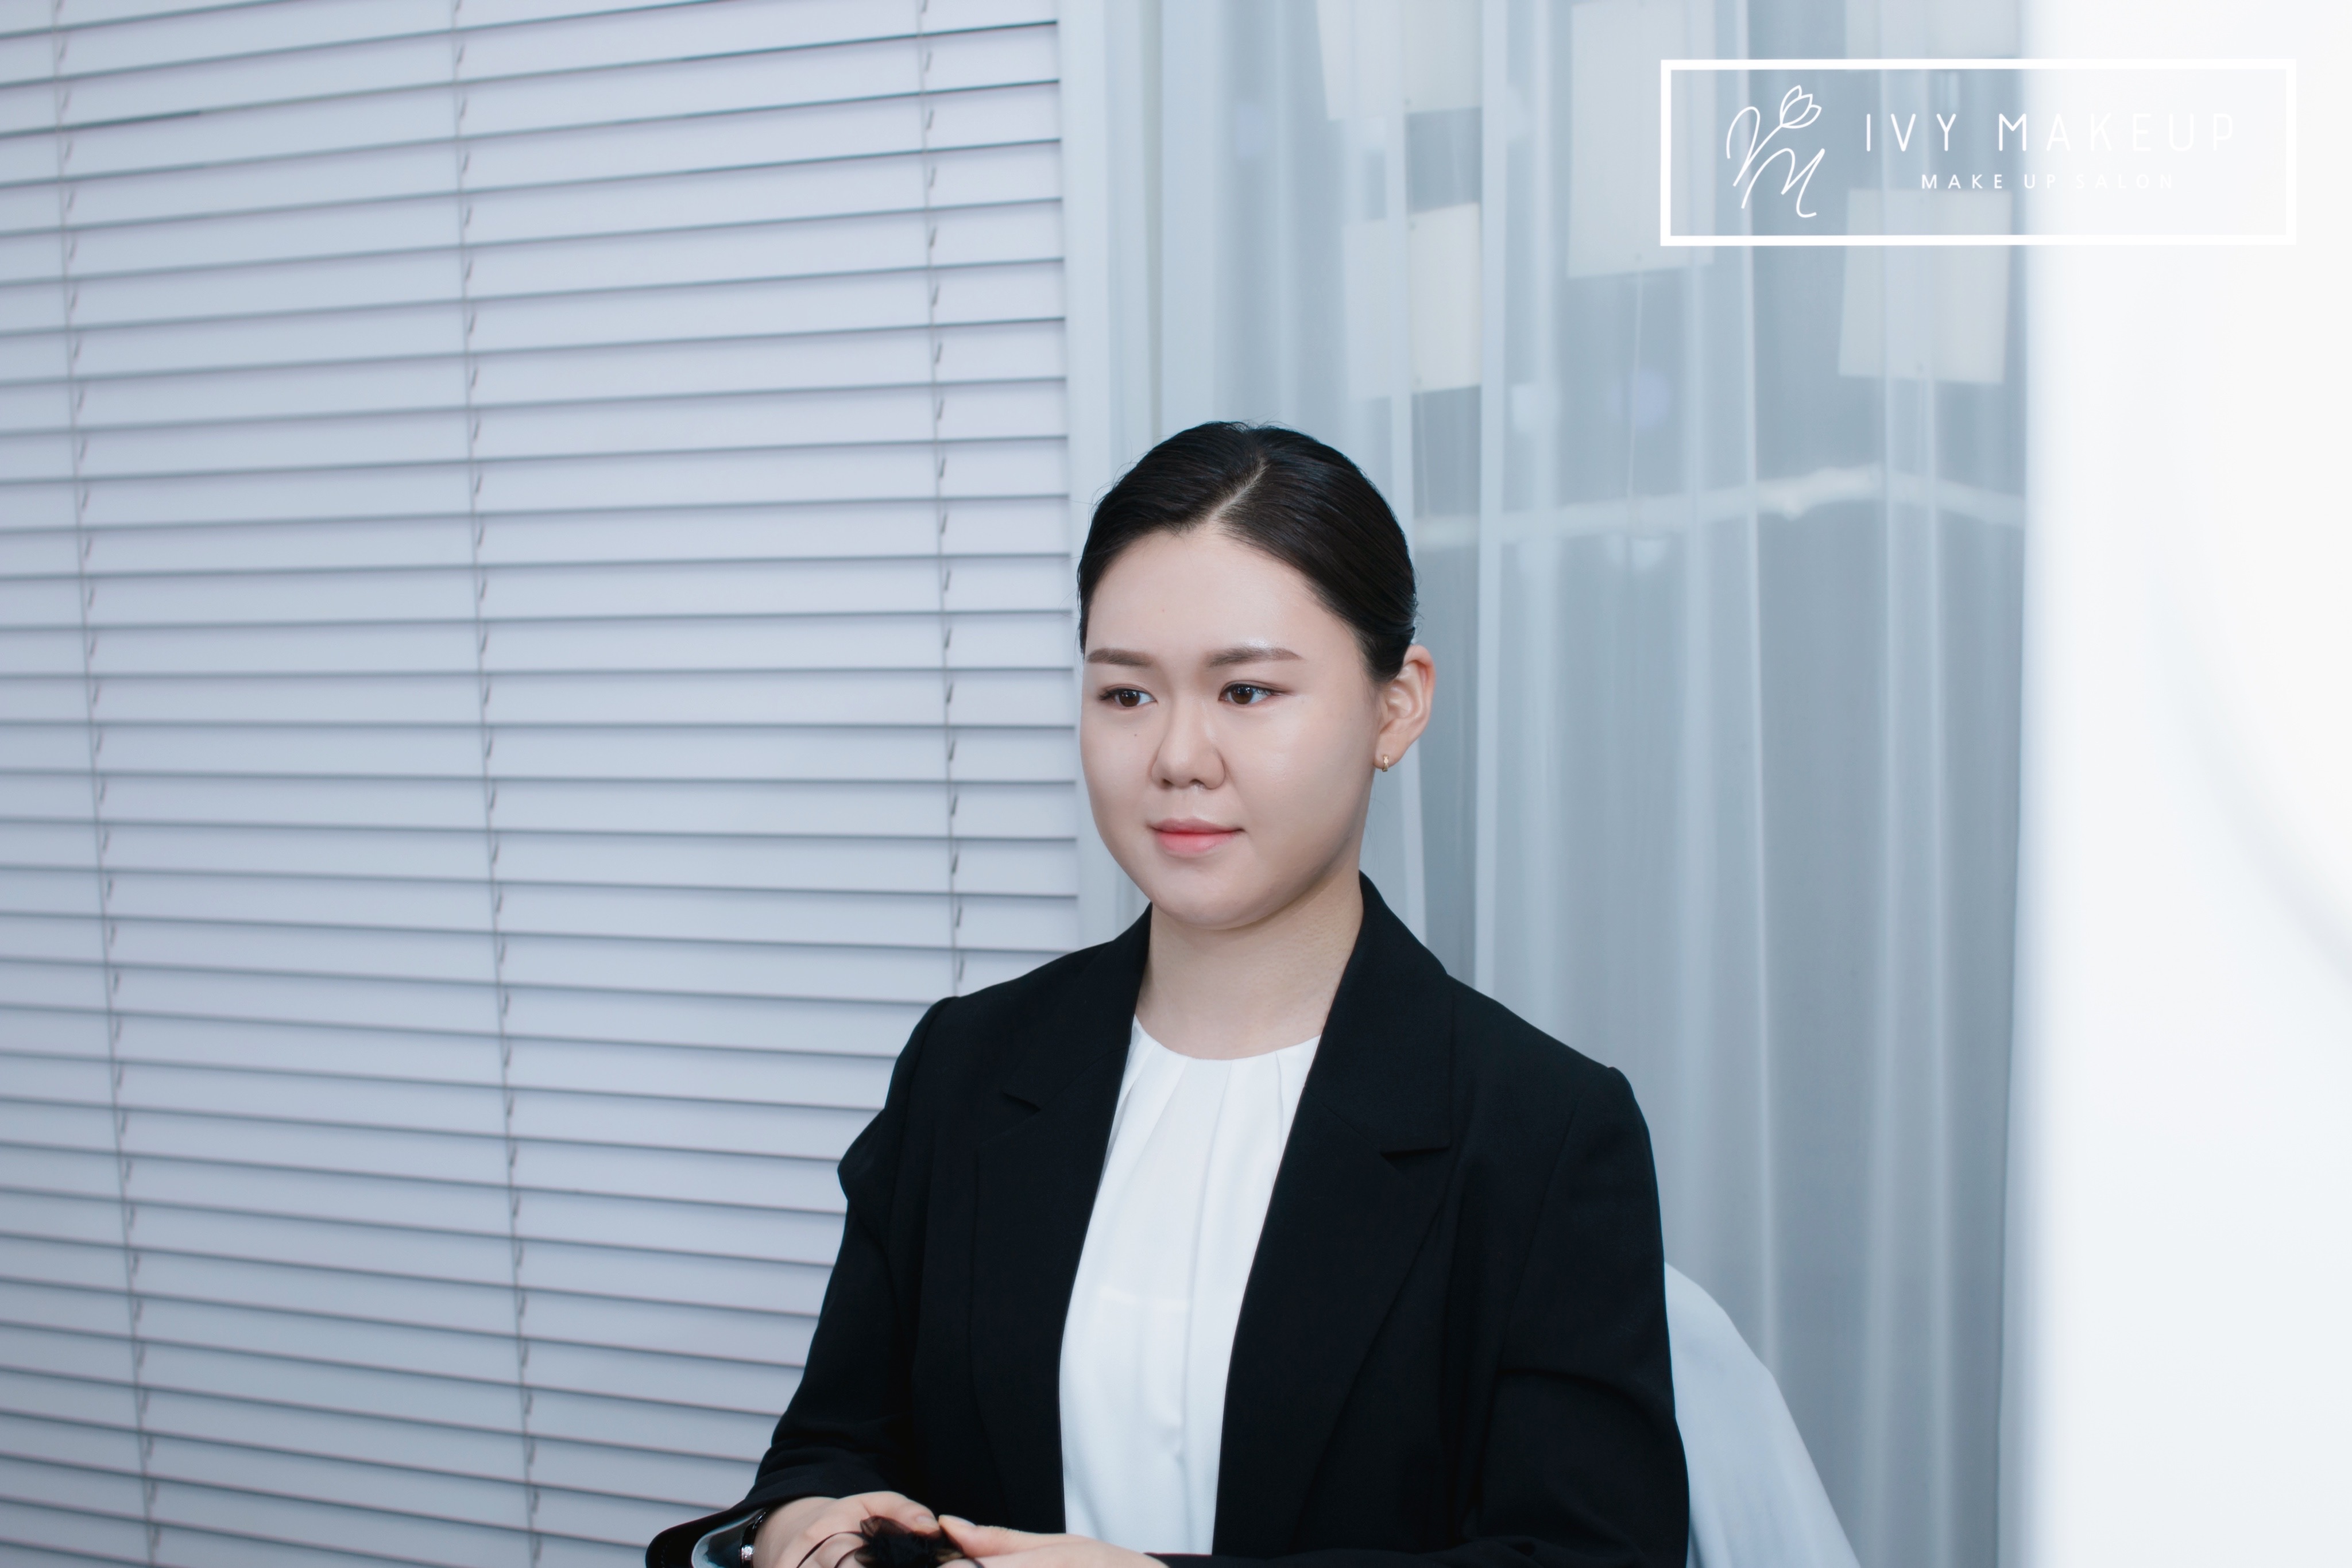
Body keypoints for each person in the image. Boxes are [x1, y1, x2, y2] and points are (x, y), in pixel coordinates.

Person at [648, 424, 1686, 1568]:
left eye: (1247, 690)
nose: (1178, 756)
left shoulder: (1542, 1129)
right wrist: (802, 1525)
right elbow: (833, 1444)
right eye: (1127, 693)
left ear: (1397, 706)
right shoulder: (967, 1061)